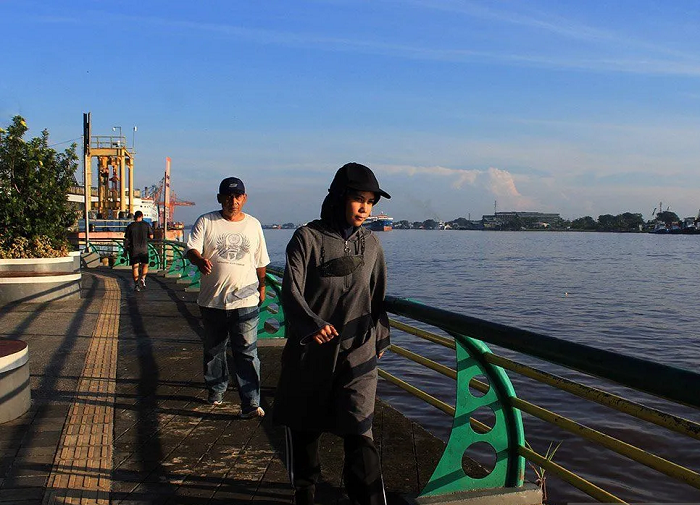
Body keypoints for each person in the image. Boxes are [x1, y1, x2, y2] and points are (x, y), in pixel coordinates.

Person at [273, 162, 391, 505]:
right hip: (312, 350)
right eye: (359, 199)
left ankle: (365, 499)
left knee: (359, 427)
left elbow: (379, 295)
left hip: (358, 350)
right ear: (339, 197)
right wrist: (311, 324)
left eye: (370, 201)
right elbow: (290, 291)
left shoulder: (371, 245)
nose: (365, 208)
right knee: (304, 425)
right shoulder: (307, 239)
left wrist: (381, 335)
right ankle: (305, 491)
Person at [186, 177, 270, 418]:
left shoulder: (254, 225)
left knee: (247, 352)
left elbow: (260, 261)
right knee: (214, 349)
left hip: (245, 300)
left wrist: (262, 286)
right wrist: (199, 260)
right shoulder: (206, 221)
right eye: (228, 196)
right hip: (212, 300)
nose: (233, 201)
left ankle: (251, 404)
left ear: (244, 198)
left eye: (238, 196)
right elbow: (191, 249)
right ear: (219, 198)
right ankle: (216, 390)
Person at [124, 210, 154, 291]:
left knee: (135, 267)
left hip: (133, 249)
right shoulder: (146, 225)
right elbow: (151, 236)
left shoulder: (130, 226)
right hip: (144, 249)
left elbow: (126, 240)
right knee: (145, 265)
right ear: (142, 216)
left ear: (134, 217)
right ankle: (143, 278)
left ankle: (136, 285)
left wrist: (125, 251)